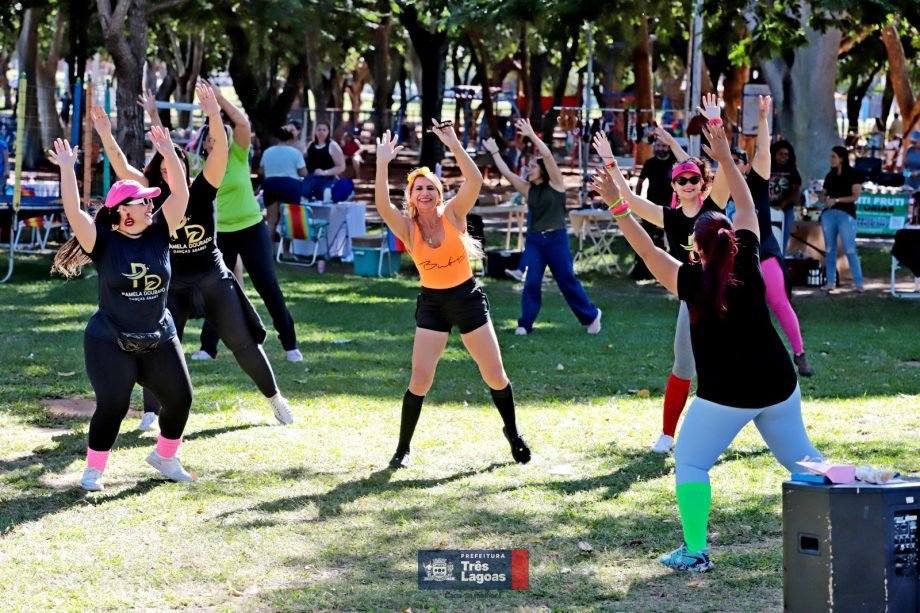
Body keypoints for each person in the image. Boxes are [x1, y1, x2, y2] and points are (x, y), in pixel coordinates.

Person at [592, 121, 823, 573]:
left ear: (695, 251)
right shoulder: (752, 259)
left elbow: (643, 247)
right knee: (805, 463)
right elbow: (749, 202)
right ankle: (848, 523)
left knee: (692, 463)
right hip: (779, 385)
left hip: (726, 397)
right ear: (732, 241)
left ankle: (696, 551)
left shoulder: (687, 279)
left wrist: (618, 205)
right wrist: (722, 156)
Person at [92, 82, 295, 431]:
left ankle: (275, 398)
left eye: (179, 163)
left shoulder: (201, 189)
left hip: (211, 275)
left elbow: (220, 152)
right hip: (172, 282)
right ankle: (151, 414)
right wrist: (106, 134)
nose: (173, 169)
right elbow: (123, 166)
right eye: (166, 166)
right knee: (155, 343)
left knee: (242, 343)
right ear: (158, 172)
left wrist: (214, 112)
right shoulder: (150, 198)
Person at [374, 121, 531, 469]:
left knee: (494, 374)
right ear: (412, 197)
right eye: (419, 189)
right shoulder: (406, 226)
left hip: (467, 299)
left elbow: (473, 180)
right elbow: (382, 205)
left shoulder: (453, 215)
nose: (425, 193)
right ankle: (402, 449)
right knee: (420, 379)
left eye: (430, 188)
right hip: (433, 305)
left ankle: (513, 433)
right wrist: (382, 162)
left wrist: (455, 144)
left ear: (439, 195)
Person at [50, 130, 198, 491]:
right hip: (109, 339)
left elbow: (181, 193)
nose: (151, 205)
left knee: (181, 398)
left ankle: (165, 455)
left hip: (158, 336)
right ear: (123, 212)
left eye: (150, 201)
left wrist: (169, 154)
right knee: (114, 405)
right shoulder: (103, 241)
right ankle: (94, 470)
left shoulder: (160, 231)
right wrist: (68, 168)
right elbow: (73, 210)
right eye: (143, 202)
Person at [593, 93, 724, 455]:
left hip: (726, 295)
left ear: (701, 182)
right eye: (681, 180)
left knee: (738, 361)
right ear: (674, 186)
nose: (688, 184)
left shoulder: (714, 205)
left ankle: (766, 413)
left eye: (694, 179)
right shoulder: (670, 216)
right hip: (691, 294)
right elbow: (629, 202)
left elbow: (726, 169)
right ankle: (667, 434)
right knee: (683, 362)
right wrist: (610, 162)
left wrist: (715, 124)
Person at [194, 80, 302, 363]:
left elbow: (242, 124)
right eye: (213, 136)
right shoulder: (201, 168)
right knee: (218, 291)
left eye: (223, 134)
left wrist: (218, 100)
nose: (220, 138)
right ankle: (207, 348)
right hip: (223, 236)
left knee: (267, 286)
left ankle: (291, 345)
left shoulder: (239, 156)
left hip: (252, 229)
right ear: (206, 143)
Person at [708, 97, 813, 377]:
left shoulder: (757, 183)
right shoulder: (719, 192)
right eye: (730, 163)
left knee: (778, 301)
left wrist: (764, 119)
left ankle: (800, 354)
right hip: (733, 262)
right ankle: (732, 358)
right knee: (732, 310)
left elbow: (764, 152)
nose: (737, 167)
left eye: (740, 162)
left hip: (764, 251)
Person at [484, 118, 602, 336]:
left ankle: (592, 315)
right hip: (536, 241)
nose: (528, 169)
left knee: (567, 281)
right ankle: (524, 324)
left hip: (556, 239)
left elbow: (547, 156)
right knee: (531, 284)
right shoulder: (529, 190)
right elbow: (508, 174)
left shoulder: (556, 184)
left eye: (532, 167)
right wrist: (494, 153)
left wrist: (531, 135)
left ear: (542, 170)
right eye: (528, 166)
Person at [632, 129, 681, 279]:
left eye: (664, 146)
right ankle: (640, 271)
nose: (661, 148)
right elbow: (640, 183)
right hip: (650, 207)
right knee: (644, 238)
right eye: (658, 146)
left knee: (675, 241)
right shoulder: (649, 163)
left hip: (671, 209)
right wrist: (638, 201)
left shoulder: (675, 164)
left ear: (668, 147)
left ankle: (676, 271)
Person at [819, 146, 865, 292]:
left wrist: (837, 200)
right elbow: (823, 193)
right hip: (828, 213)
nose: (831, 159)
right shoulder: (830, 175)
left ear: (841, 158)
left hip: (846, 214)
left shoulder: (853, 174)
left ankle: (859, 282)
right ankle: (830, 281)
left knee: (849, 248)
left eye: (834, 156)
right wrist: (820, 198)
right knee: (830, 248)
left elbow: (855, 196)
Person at [260, 125, 307, 256]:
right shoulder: (295, 153)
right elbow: (303, 172)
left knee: (271, 220)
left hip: (271, 184)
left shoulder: (268, 152)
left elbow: (261, 171)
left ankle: (267, 252)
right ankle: (286, 251)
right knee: (290, 220)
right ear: (290, 140)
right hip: (290, 185)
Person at [768, 140, 802, 257]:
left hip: (785, 210)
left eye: (786, 154)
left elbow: (796, 192)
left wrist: (782, 205)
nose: (783, 157)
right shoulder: (767, 166)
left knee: (782, 239)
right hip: (767, 209)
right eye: (780, 154)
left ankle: (779, 265)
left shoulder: (792, 171)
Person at [301, 121, 346, 201]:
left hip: (328, 179)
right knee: (303, 193)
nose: (321, 132)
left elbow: (341, 166)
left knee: (326, 193)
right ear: (315, 131)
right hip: (310, 179)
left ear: (328, 132)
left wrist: (325, 172)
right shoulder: (310, 145)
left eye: (324, 130)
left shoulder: (333, 146)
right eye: (319, 130)